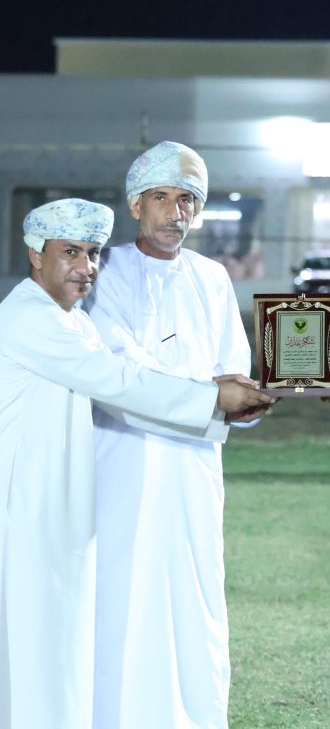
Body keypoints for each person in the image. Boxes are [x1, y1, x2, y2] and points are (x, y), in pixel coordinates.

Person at [0, 198, 274, 729]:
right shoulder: (29, 318)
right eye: (70, 252)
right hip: (26, 504)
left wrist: (214, 394)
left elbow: (126, 385)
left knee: (62, 643)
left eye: (93, 254)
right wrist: (211, 398)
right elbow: (119, 381)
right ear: (35, 255)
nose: (86, 267)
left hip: (61, 502)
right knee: (34, 642)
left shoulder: (72, 321)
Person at [83, 141, 262, 729]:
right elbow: (116, 372)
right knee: (121, 595)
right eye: (160, 197)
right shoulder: (103, 270)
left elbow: (233, 369)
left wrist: (251, 402)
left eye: (186, 199)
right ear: (136, 205)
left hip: (193, 469)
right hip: (121, 464)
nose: (174, 211)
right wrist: (211, 396)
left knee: (194, 596)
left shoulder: (212, 277)